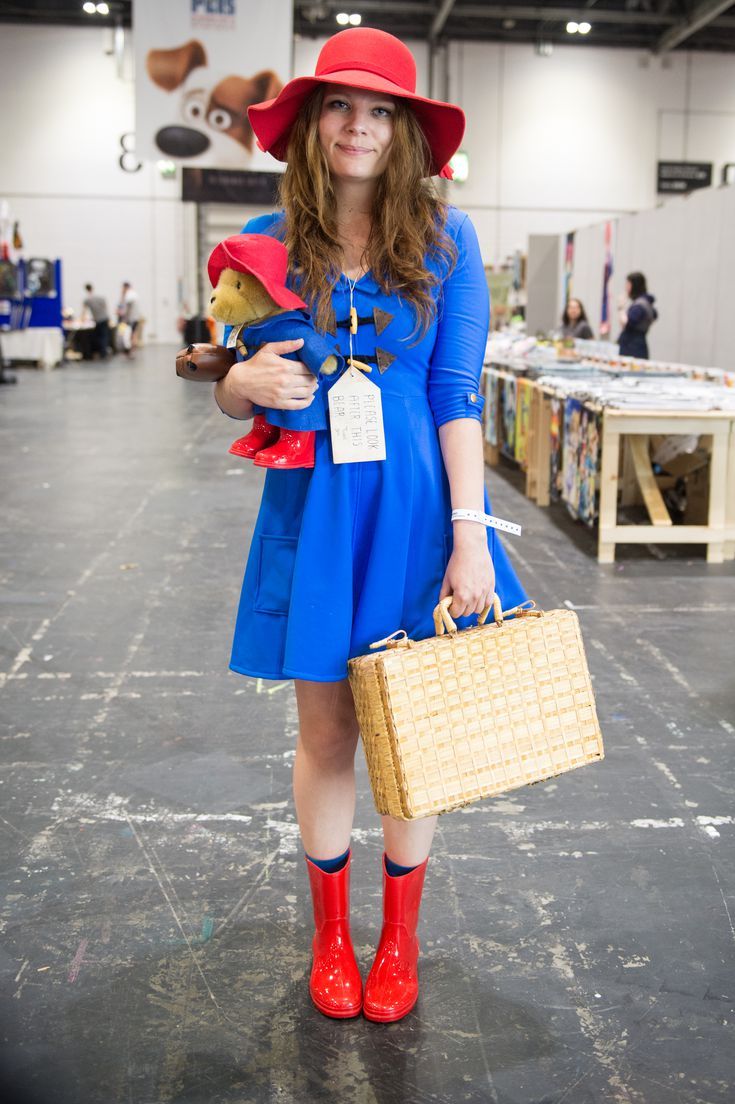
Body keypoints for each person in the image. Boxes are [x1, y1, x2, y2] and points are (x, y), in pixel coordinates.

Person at [211, 27, 527, 1024]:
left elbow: (455, 389)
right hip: (315, 508)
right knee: (326, 727)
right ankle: (329, 936)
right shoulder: (267, 243)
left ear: (404, 133)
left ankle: (399, 938)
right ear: (311, 123)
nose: (360, 126)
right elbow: (235, 376)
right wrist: (234, 384)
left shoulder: (449, 241)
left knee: (412, 725)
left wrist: (472, 534)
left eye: (381, 110)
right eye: (342, 105)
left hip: (419, 511)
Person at [618, 271, 657, 358]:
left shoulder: (640, 305)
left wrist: (621, 307)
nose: (626, 288)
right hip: (636, 344)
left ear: (634, 285)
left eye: (628, 285)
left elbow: (626, 322)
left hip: (632, 347)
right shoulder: (646, 303)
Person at [82, 283, 110, 358]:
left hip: (98, 320)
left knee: (100, 336)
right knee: (103, 336)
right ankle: (103, 353)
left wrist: (82, 319)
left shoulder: (87, 300)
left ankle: (102, 353)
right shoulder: (99, 298)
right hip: (104, 318)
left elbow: (84, 311)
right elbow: (105, 306)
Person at [117, 281, 141, 356]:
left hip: (131, 318)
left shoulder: (129, 295)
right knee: (132, 334)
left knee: (129, 334)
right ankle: (132, 350)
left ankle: (130, 350)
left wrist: (124, 316)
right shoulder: (134, 294)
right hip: (135, 317)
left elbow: (127, 307)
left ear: (125, 287)